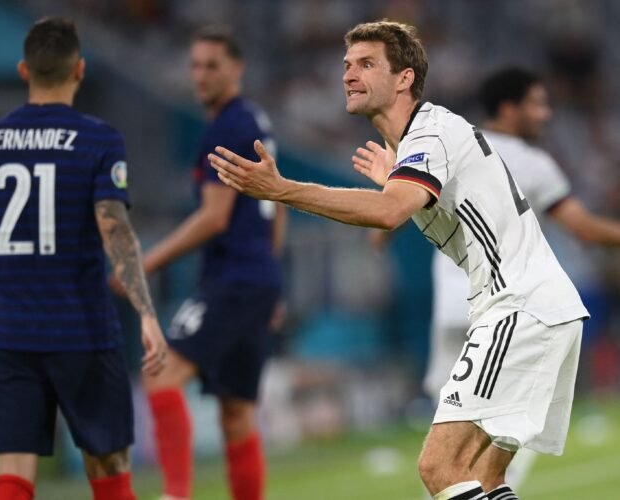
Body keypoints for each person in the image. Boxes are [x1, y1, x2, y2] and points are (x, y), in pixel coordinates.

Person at [209, 20, 588, 500]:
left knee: (440, 467)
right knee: (486, 478)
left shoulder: (431, 132)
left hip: (519, 307)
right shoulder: (418, 144)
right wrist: (394, 180)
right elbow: (416, 206)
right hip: (539, 307)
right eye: (346, 65)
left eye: (366, 64)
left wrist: (282, 189)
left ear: (404, 78)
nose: (348, 74)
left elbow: (389, 212)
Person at [0, 17, 166, 500]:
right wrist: (145, 313)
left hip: (11, 329)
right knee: (108, 466)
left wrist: (26, 282)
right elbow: (113, 228)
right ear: (79, 69)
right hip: (81, 328)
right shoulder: (98, 140)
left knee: (13, 471)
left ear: (24, 70)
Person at [420, 65, 620, 490]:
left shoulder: (454, 143)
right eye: (537, 104)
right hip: (501, 304)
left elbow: (410, 201)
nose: (546, 114)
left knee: (445, 439)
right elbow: (582, 226)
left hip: (450, 302)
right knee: (491, 446)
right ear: (509, 109)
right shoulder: (533, 161)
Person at [137, 25, 285, 500]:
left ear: (236, 69)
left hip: (233, 279)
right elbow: (277, 203)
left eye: (212, 65)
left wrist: (149, 260)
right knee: (236, 411)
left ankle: (175, 494)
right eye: (195, 65)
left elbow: (215, 216)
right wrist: (272, 278)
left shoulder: (225, 128)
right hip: (256, 278)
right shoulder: (254, 120)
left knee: (160, 372)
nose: (200, 75)